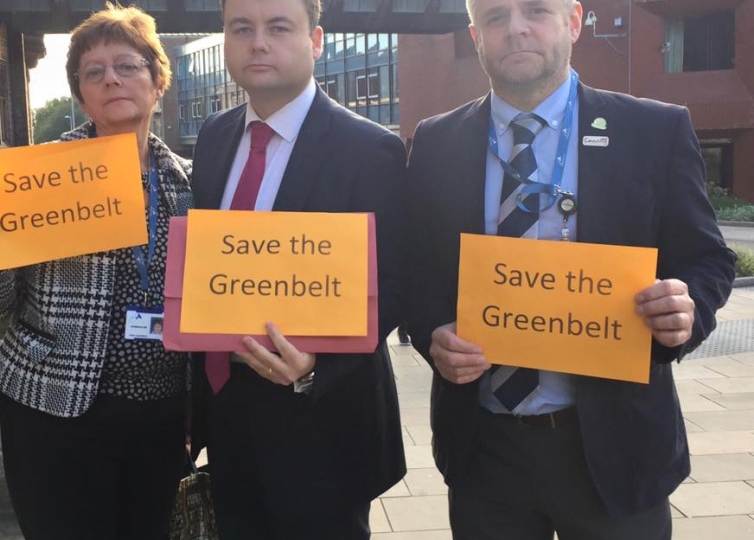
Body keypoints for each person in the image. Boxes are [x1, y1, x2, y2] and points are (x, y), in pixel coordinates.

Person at [404, 1, 737, 539]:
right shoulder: (437, 141)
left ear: (574, 22)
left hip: (616, 449)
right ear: (475, 35)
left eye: (536, 10)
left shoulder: (653, 130)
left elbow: (708, 258)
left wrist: (687, 306)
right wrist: (431, 332)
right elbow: (415, 268)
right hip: (485, 451)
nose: (516, 28)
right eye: (495, 17)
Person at [0, 5, 194, 539]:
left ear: (158, 82)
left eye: (127, 65)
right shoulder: (34, 179)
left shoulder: (193, 185)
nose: (111, 79)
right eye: (94, 71)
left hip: (159, 416)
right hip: (53, 411)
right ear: (81, 95)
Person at [188, 0, 407, 537]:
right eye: (242, 28)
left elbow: (395, 280)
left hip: (322, 425)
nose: (258, 42)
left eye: (279, 27)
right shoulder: (214, 136)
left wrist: (316, 364)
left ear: (316, 41)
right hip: (228, 417)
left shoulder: (369, 148)